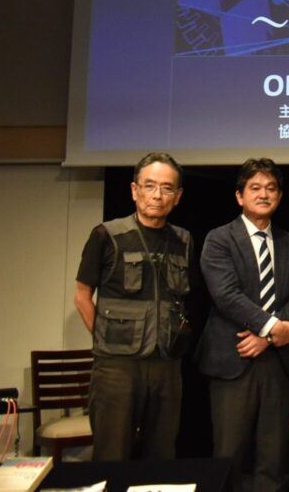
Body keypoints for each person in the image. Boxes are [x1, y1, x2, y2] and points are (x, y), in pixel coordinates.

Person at [198, 158, 289, 492]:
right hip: (234, 358)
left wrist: (270, 338)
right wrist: (274, 327)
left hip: (278, 362)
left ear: (279, 196)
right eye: (255, 188)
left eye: (271, 188)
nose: (264, 194)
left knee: (273, 457)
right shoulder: (219, 239)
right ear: (239, 196)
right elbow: (226, 295)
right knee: (229, 455)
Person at [74, 152, 193, 460]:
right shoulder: (107, 235)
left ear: (178, 196)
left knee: (161, 454)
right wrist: (104, 336)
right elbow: (82, 295)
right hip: (117, 367)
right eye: (149, 185)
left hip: (167, 365)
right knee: (112, 454)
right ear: (134, 190)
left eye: (167, 188)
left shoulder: (183, 240)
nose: (157, 195)